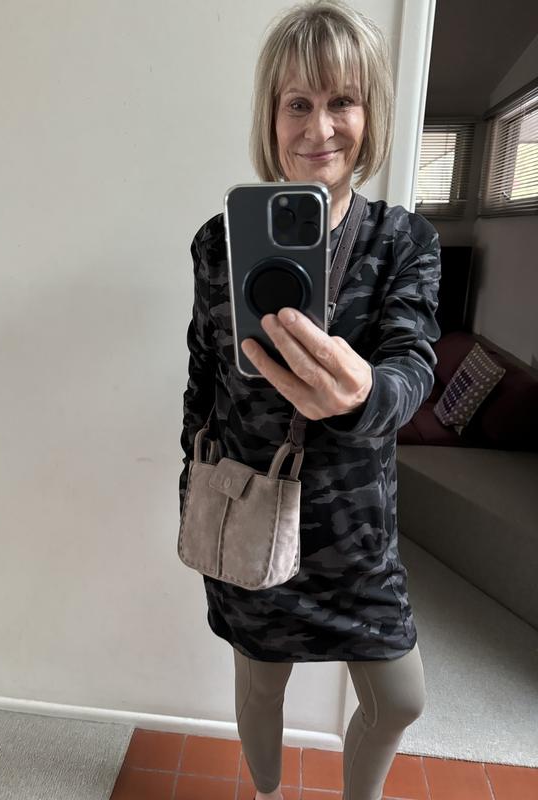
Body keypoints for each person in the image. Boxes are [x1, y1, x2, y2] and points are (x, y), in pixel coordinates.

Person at [179, 1, 441, 799]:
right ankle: (266, 794)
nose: (319, 127)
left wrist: (364, 394)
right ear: (272, 116)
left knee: (400, 700)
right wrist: (195, 487)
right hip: (254, 515)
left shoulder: (402, 241)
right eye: (298, 103)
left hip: (356, 533)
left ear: (370, 113)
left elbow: (412, 366)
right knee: (262, 686)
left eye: (342, 101)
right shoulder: (217, 242)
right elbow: (202, 379)